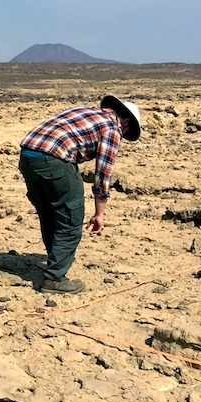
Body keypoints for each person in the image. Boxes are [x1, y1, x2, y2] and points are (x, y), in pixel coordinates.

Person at [18, 95, 141, 295]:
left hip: (27, 156)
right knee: (70, 219)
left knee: (49, 213)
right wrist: (100, 214)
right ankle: (54, 278)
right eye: (126, 132)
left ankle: (55, 261)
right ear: (125, 122)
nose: (123, 135)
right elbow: (103, 175)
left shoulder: (85, 111)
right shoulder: (112, 129)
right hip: (55, 160)